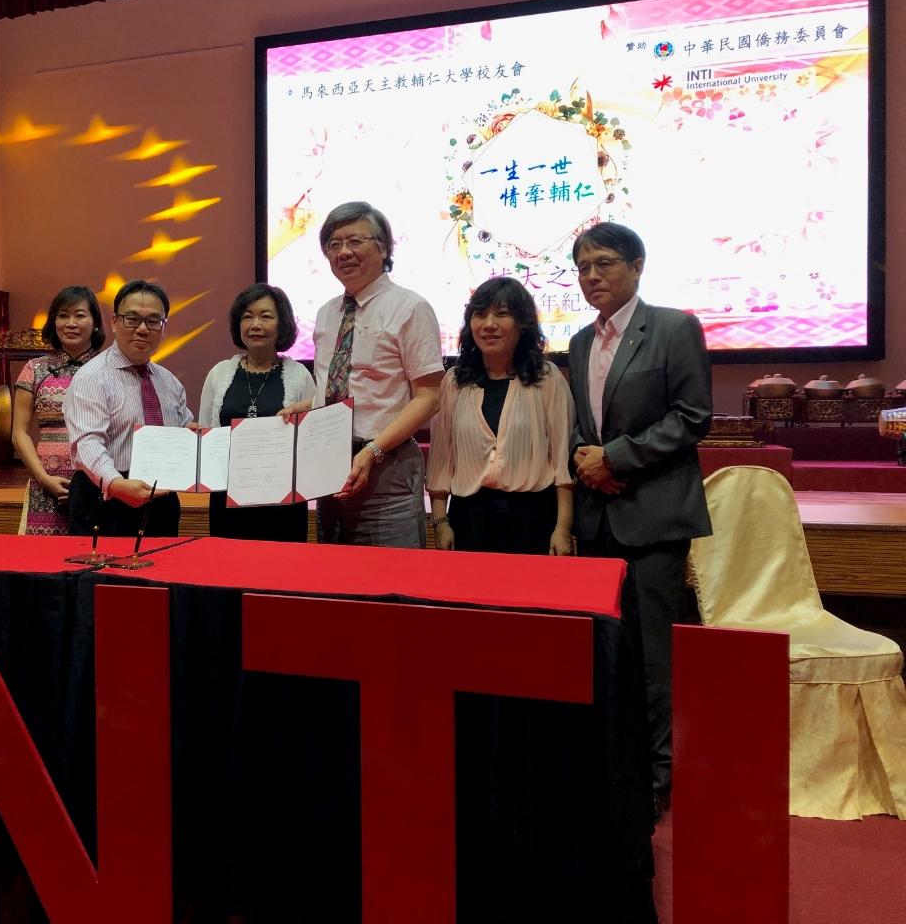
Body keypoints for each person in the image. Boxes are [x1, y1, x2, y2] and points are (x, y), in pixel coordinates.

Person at [566, 221, 712, 818]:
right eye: (582, 267)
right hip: (597, 518)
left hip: (651, 517)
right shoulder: (578, 343)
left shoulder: (674, 327)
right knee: (607, 654)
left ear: (637, 265)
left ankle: (656, 783)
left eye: (604, 263)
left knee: (653, 661)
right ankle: (614, 769)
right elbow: (583, 421)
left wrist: (616, 459)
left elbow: (693, 415)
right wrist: (585, 458)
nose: (592, 276)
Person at [282, 201, 443, 548]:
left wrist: (373, 451)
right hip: (330, 465)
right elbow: (345, 384)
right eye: (334, 244)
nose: (344, 252)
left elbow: (429, 397)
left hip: (388, 467)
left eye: (355, 241)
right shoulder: (326, 314)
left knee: (391, 583)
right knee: (337, 582)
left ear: (382, 246)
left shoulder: (410, 308)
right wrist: (307, 405)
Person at [426, 276, 574, 555]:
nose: (489, 324)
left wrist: (563, 528)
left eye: (502, 314)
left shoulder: (547, 378)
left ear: (522, 324)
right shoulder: (455, 381)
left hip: (533, 517)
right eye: (479, 315)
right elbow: (441, 460)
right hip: (469, 516)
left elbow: (561, 461)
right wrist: (440, 521)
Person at [64, 279, 193, 537]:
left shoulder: (169, 382)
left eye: (153, 321)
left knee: (161, 572)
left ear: (163, 326)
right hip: (106, 497)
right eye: (132, 319)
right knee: (104, 577)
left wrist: (194, 434)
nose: (143, 329)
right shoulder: (92, 377)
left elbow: (182, 428)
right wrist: (115, 483)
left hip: (160, 497)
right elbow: (87, 444)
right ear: (114, 322)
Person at [198, 283, 317, 542]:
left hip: (284, 501)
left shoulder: (299, 375)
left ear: (282, 323)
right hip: (227, 498)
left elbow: (310, 442)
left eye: (266, 316)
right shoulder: (219, 374)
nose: (255, 325)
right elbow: (208, 433)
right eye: (247, 316)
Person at [11, 286, 105, 535]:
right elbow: (19, 433)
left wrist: (90, 482)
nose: (71, 323)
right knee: (43, 564)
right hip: (47, 482)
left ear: (95, 323)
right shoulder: (35, 368)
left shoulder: (108, 370)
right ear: (53, 323)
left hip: (95, 484)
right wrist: (44, 479)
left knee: (89, 558)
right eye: (63, 315)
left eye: (80, 315)